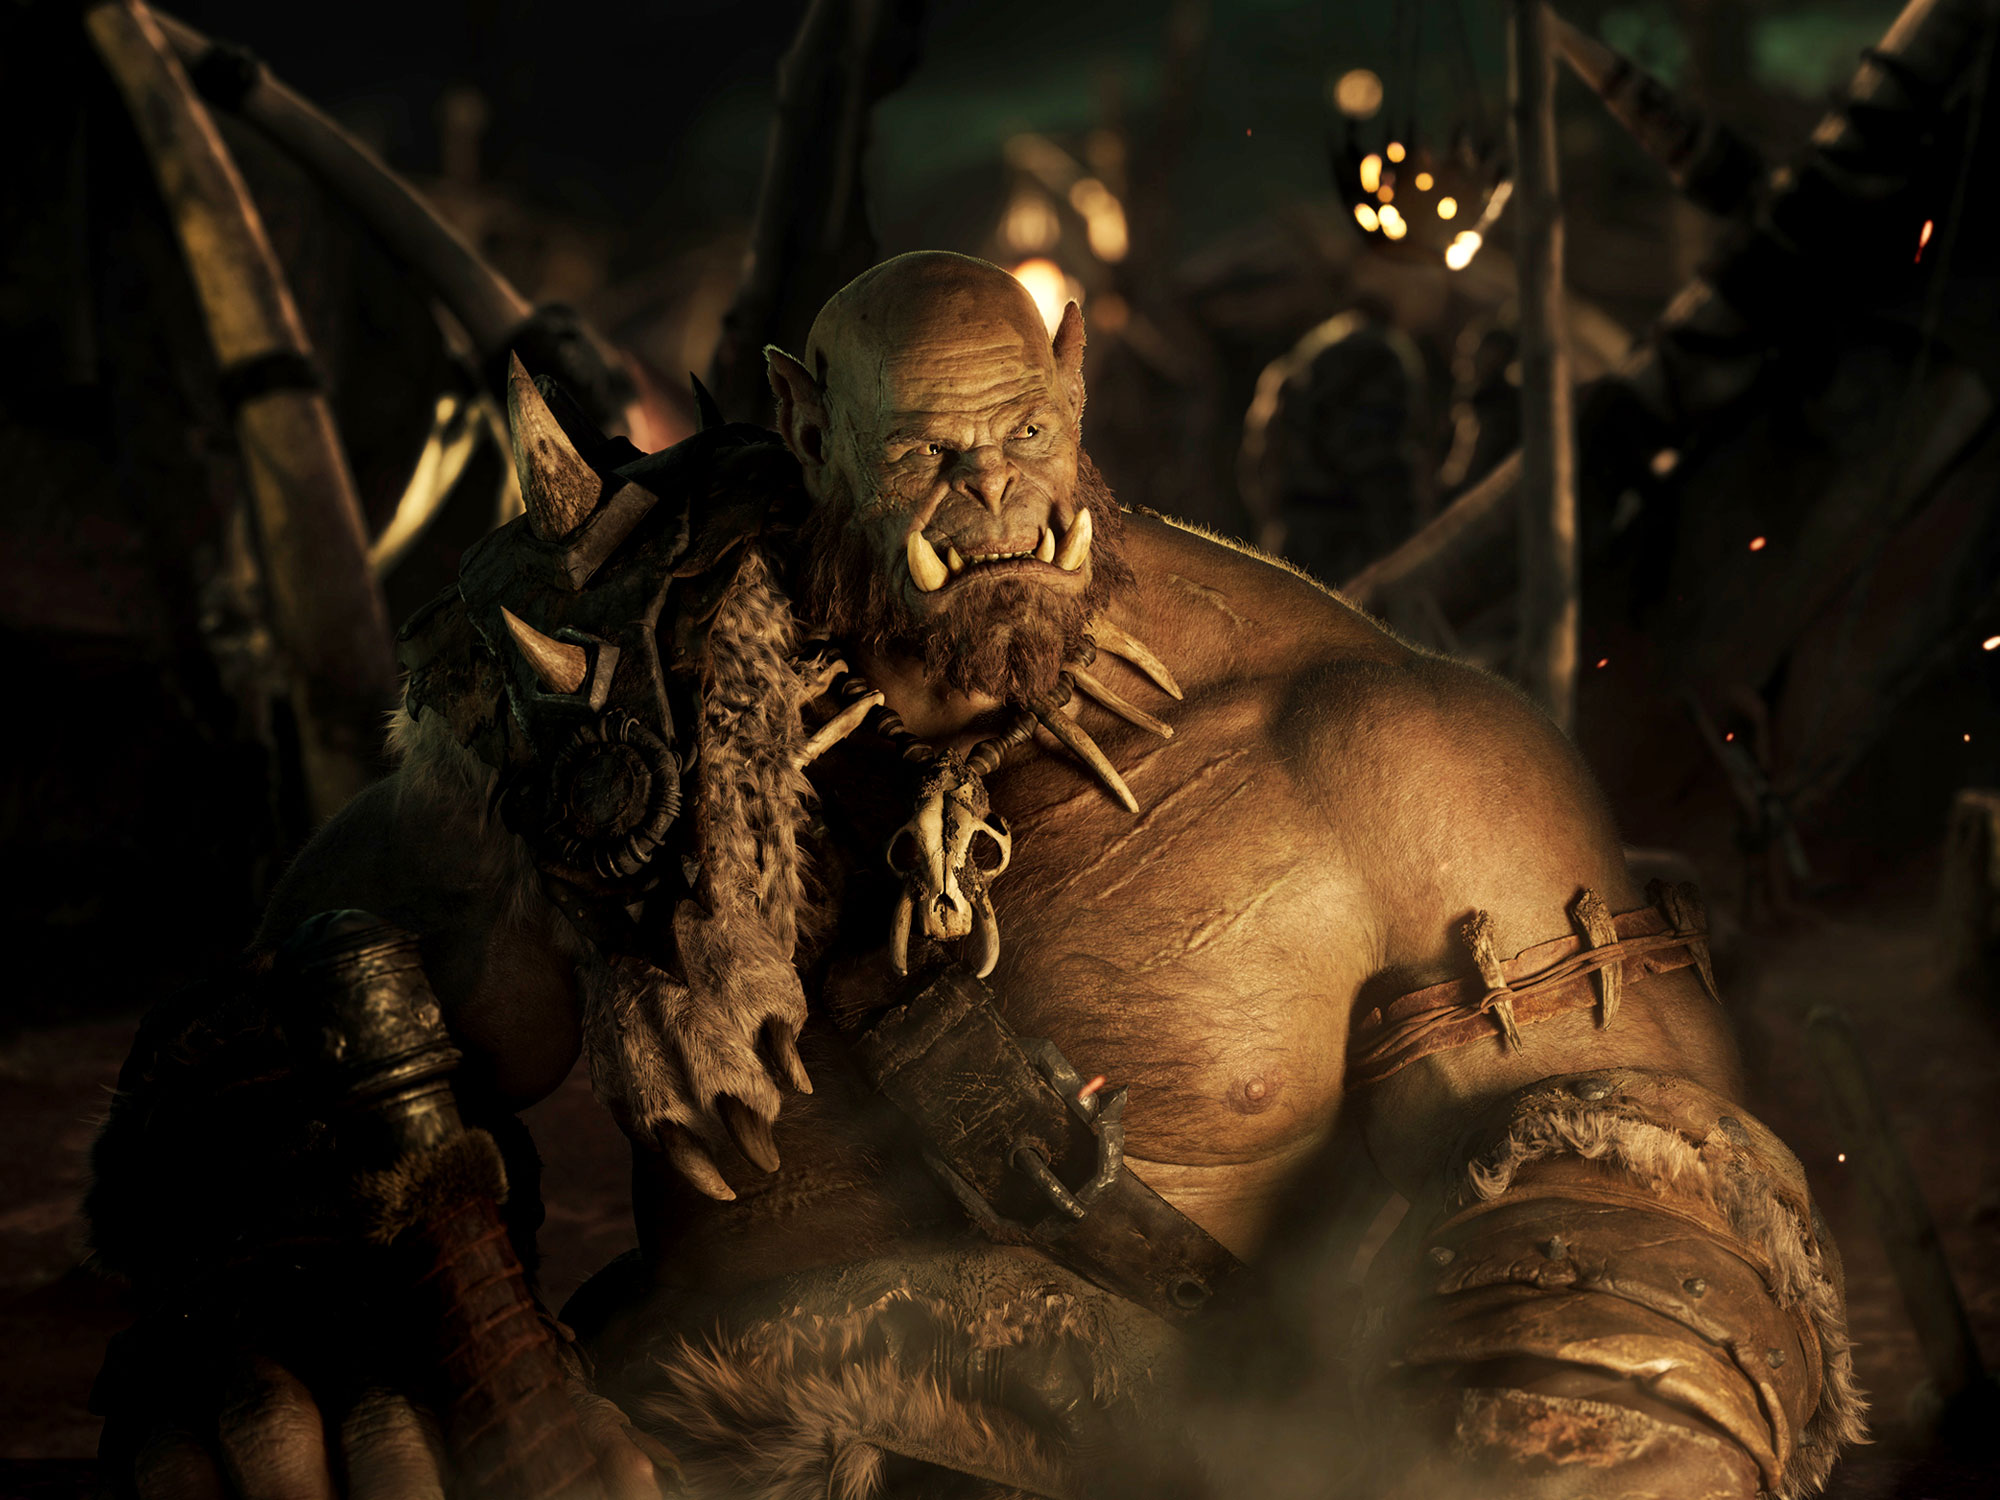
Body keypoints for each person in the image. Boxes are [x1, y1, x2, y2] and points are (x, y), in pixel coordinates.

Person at [91, 251, 1862, 1499]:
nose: (995, 498)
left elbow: (1652, 1258)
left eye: (1022, 436)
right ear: (805, 425)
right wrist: (312, 1304)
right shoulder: (626, 708)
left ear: (1073, 386)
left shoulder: (1375, 755)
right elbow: (320, 1013)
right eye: (926, 453)